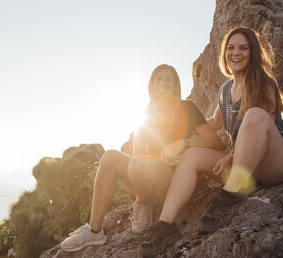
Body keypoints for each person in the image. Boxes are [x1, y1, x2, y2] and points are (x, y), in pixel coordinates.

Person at [140, 27, 283, 257]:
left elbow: (263, 130)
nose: (236, 53)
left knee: (255, 115)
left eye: (243, 48)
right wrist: (178, 136)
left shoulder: (263, 84)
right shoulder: (225, 90)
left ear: (252, 53)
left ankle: (228, 197)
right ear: (224, 53)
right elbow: (214, 121)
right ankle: (165, 226)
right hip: (244, 173)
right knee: (191, 154)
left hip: (273, 165)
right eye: (231, 48)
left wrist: (231, 156)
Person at [59, 64, 224, 252]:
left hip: (174, 183)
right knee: (110, 157)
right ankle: (95, 230)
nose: (163, 83)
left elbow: (216, 143)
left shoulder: (187, 108)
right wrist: (159, 158)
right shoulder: (145, 116)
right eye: (158, 79)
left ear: (175, 85)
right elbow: (137, 158)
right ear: (151, 85)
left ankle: (143, 203)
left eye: (168, 79)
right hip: (144, 178)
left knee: (140, 166)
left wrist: (184, 144)